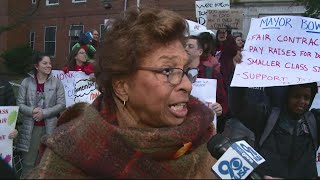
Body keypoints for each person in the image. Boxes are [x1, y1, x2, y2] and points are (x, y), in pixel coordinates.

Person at [27, 7, 216, 178]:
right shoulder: (71, 152)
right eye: (167, 70)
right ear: (122, 86)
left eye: (184, 69)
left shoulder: (205, 140)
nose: (187, 85)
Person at [229, 82, 319, 178]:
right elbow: (239, 106)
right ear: (286, 96)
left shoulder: (315, 120)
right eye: (296, 96)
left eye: (306, 98)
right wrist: (238, 76)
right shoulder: (267, 116)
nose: (301, 101)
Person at [16, 53, 66, 178]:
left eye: (49, 63)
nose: (49, 66)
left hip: (50, 128)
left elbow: (61, 104)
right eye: (45, 63)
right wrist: (32, 111)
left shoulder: (57, 83)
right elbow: (20, 104)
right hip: (30, 129)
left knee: (47, 163)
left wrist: (44, 113)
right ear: (36, 66)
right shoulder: (26, 82)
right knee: (28, 163)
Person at [185, 35, 229, 133]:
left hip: (204, 129)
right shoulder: (176, 72)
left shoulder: (212, 73)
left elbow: (223, 100)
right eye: (184, 46)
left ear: (200, 52)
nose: (186, 49)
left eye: (190, 46)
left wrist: (220, 108)